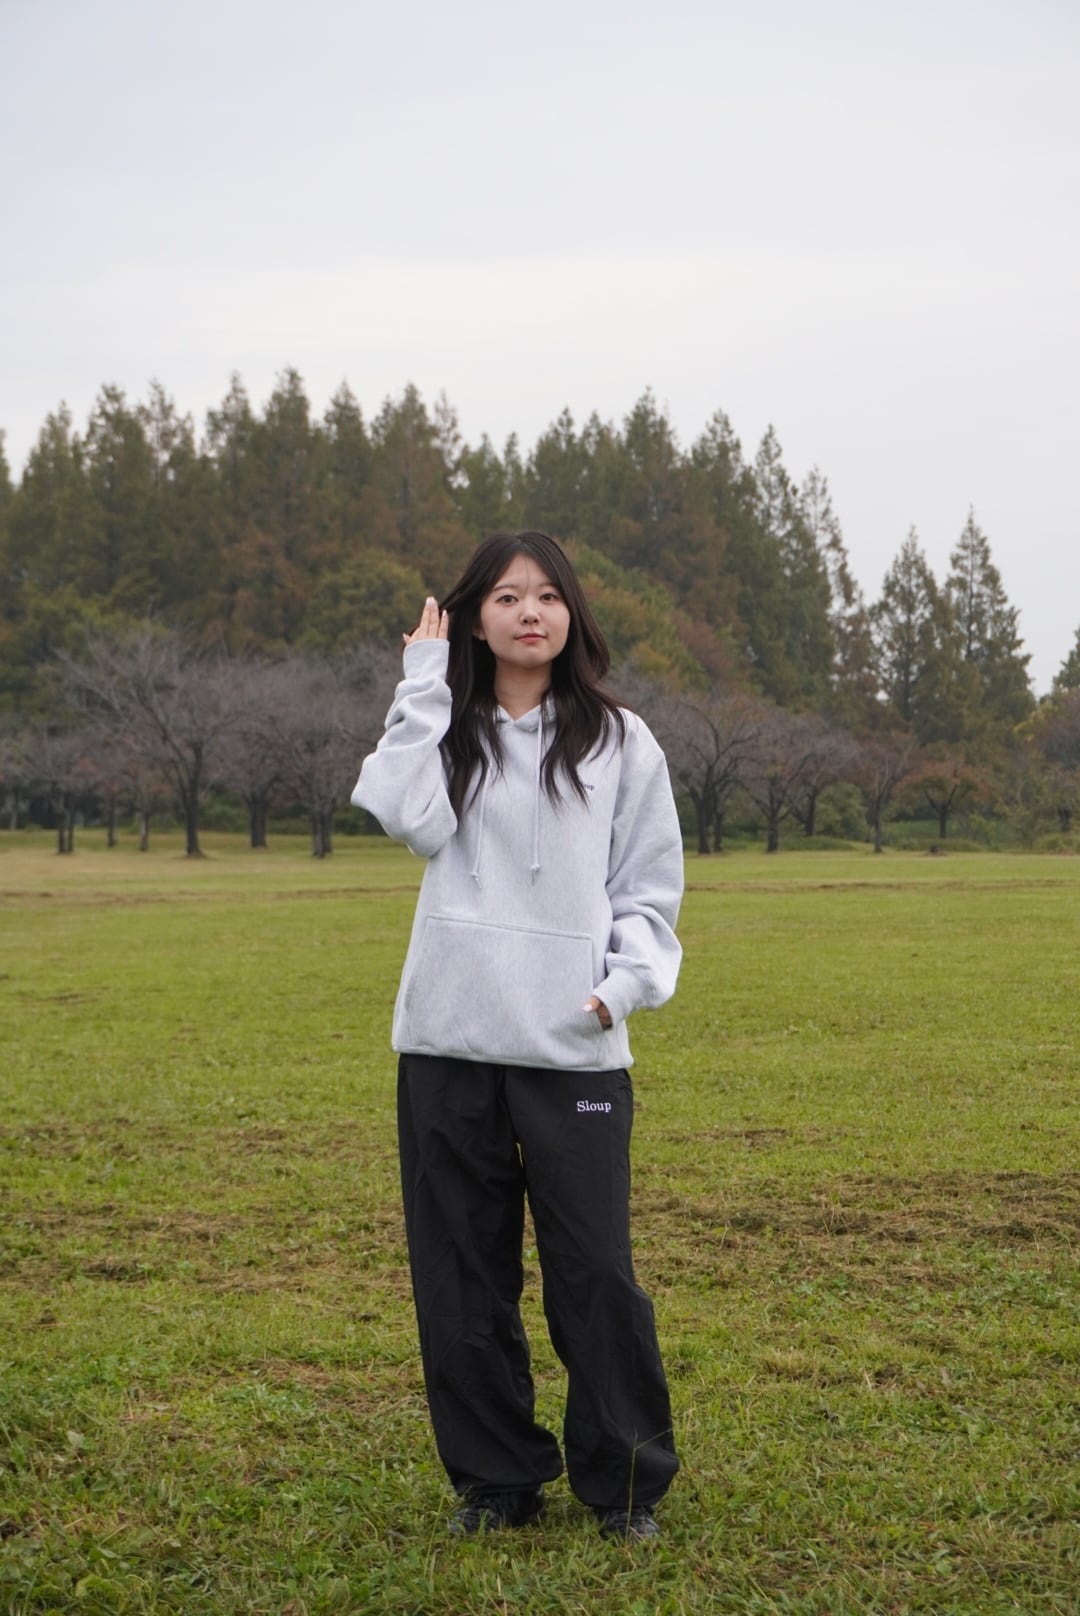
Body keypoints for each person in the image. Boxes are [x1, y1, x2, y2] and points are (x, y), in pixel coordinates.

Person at [352, 530, 684, 1542]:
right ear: (473, 618)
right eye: (505, 596)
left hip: (572, 1043)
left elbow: (649, 884)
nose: (529, 612)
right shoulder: (444, 728)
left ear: (572, 613)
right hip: (448, 1042)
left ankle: (624, 1486)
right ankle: (496, 1482)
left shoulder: (621, 741)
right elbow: (398, 813)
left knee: (596, 1271)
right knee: (460, 1271)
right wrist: (422, 681)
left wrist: (619, 989)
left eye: (546, 595)